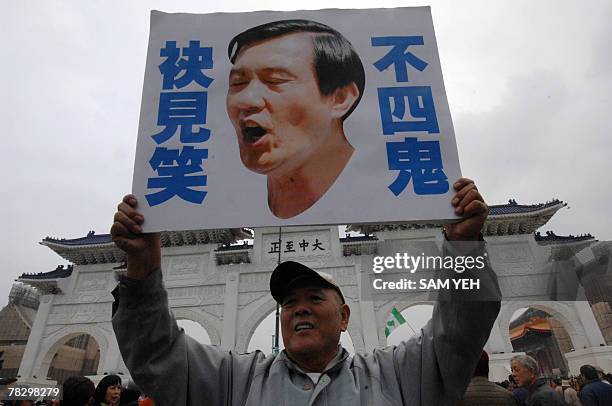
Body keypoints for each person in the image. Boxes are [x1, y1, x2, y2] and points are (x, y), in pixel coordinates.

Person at [111, 177, 501, 405]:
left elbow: (457, 334)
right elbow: (157, 355)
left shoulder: (396, 375)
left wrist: (465, 248)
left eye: (315, 298)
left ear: (344, 316)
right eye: (289, 302)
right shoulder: (236, 380)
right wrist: (141, 270)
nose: (299, 309)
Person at [226, 20, 365, 219]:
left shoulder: (377, 193)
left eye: (275, 80)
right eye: (238, 83)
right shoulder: (232, 203)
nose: (247, 100)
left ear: (339, 98)